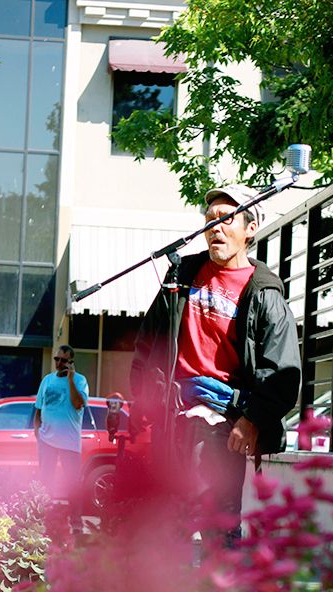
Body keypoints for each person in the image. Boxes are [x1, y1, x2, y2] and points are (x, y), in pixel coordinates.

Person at [131, 183, 301, 541]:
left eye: (226, 219)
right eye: (209, 220)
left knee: (216, 527)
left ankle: (221, 591)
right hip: (174, 417)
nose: (215, 228)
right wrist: (144, 401)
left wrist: (250, 421)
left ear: (250, 229)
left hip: (225, 424)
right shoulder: (181, 277)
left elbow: (283, 375)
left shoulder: (265, 293)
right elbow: (148, 343)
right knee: (166, 524)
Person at [33, 344, 89, 532]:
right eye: (57, 359)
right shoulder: (47, 380)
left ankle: (76, 524)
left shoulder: (80, 381)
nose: (59, 363)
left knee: (72, 484)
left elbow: (78, 403)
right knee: (45, 481)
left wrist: (71, 380)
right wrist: (37, 433)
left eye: (63, 360)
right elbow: (39, 409)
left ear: (71, 362)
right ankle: (43, 520)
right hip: (46, 440)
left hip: (69, 443)